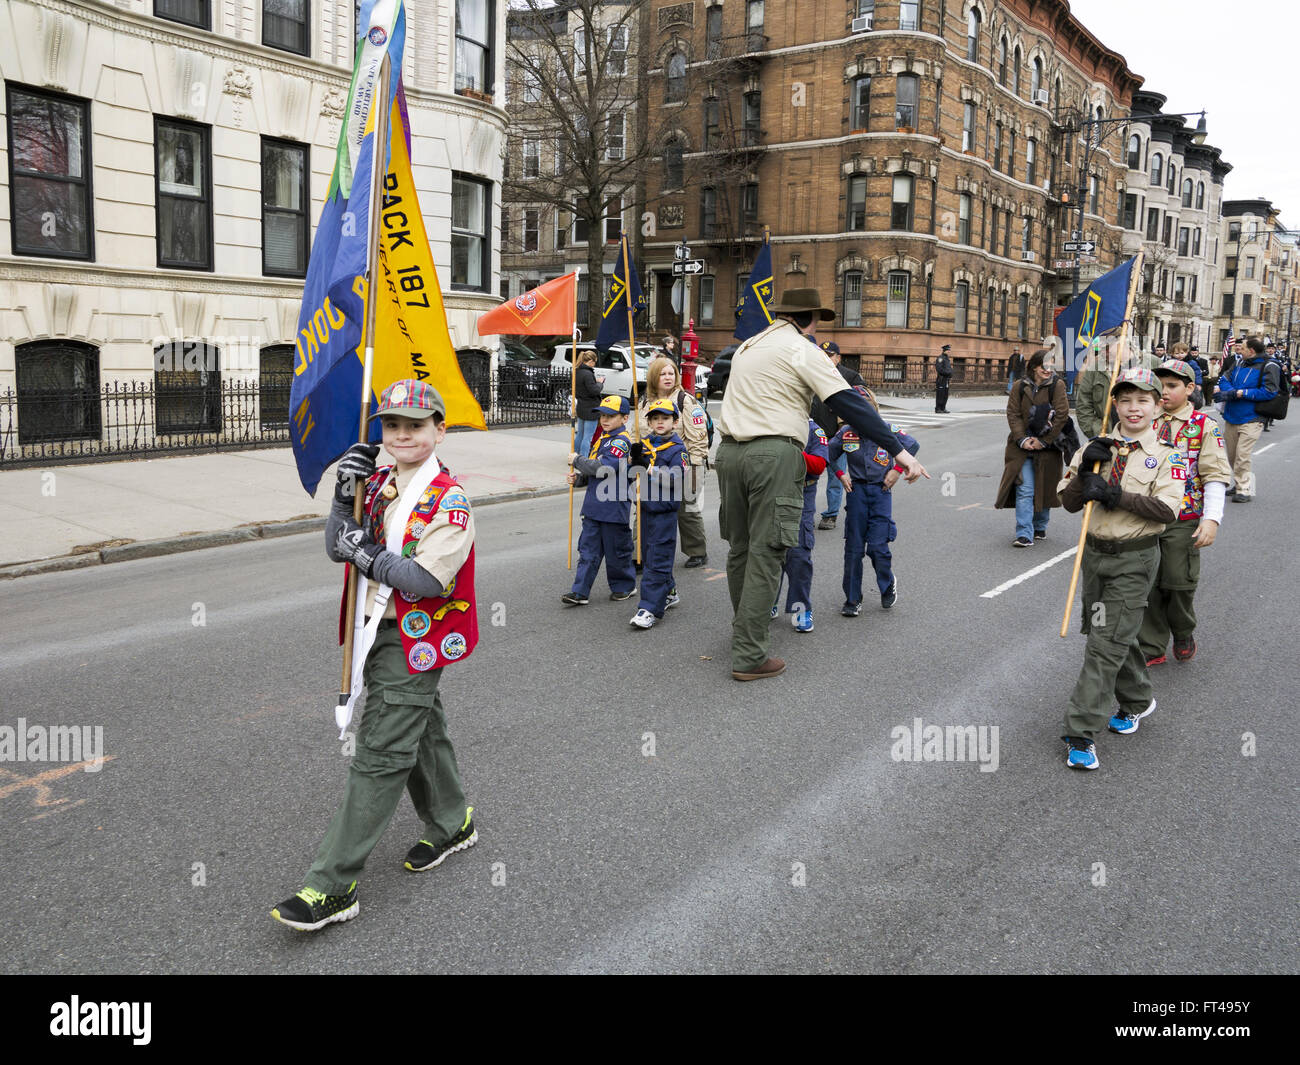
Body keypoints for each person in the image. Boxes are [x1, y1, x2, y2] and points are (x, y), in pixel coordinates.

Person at [272, 380, 478, 931]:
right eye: (392, 425)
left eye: (416, 425)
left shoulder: (448, 499)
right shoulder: (378, 481)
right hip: (373, 630)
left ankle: (331, 886)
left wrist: (367, 552)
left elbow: (426, 579)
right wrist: (344, 499)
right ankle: (453, 821)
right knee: (422, 727)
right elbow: (336, 544)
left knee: (381, 752)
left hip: (415, 637)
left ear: (439, 428)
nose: (403, 434)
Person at [715, 286, 928, 682]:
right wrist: (899, 451)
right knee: (767, 553)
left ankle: (742, 631)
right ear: (808, 319)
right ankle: (749, 655)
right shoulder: (802, 349)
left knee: (740, 550)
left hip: (729, 453)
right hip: (771, 454)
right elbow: (848, 404)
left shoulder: (749, 345)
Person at [1057, 369, 1184, 770]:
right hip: (1094, 556)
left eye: (1142, 400)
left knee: (1104, 644)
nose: (1133, 408)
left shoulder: (1166, 455)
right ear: (1116, 404)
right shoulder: (1096, 447)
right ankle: (1139, 700)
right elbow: (1070, 503)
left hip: (1135, 558)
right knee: (1110, 632)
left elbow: (1166, 509)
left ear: (1156, 405)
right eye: (1125, 400)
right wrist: (1083, 474)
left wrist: (1115, 495)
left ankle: (1081, 731)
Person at [1137, 359, 1231, 667]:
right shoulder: (1146, 420)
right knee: (1148, 582)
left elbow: (1215, 475)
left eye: (1172, 386)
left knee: (1178, 582)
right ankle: (1152, 645)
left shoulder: (1204, 427)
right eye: (1160, 385)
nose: (1163, 392)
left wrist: (1212, 519)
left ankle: (1182, 629)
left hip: (1184, 516)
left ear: (1190, 389)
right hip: (1146, 513)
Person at [829, 388, 919, 617]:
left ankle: (887, 583)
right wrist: (840, 474)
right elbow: (825, 454)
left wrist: (897, 470)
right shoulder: (846, 433)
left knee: (878, 547)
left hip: (881, 492)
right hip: (857, 493)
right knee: (854, 549)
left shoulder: (886, 430)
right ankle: (852, 599)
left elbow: (912, 445)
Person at [562, 395, 637, 605]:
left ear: (624, 418)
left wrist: (577, 460)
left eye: (611, 416)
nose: (605, 420)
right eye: (603, 415)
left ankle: (624, 586)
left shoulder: (621, 442)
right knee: (587, 551)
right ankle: (580, 591)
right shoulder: (602, 438)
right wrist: (578, 479)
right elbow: (594, 472)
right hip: (594, 507)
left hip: (614, 507)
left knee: (617, 553)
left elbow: (603, 468)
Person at [635, 356, 709, 567]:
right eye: (662, 373)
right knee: (643, 509)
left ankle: (697, 551)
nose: (667, 377)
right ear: (653, 377)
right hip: (650, 467)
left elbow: (698, 437)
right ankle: (638, 554)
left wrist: (695, 470)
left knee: (687, 509)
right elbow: (636, 433)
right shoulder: (644, 402)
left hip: (680, 465)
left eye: (671, 373)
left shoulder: (685, 400)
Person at [995, 349, 1070, 547]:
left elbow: (1062, 415)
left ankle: (1039, 525)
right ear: (1035, 366)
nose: (1048, 369)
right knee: (1025, 489)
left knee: (1044, 487)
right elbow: (1013, 414)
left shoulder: (1057, 385)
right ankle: (1024, 533)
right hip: (1021, 448)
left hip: (1048, 447)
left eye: (1052, 365)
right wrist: (1022, 439)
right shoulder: (1020, 386)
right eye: (1045, 365)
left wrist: (1043, 441)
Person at [629, 398, 686, 629]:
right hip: (645, 509)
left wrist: (648, 468)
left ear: (675, 421)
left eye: (665, 418)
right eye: (655, 418)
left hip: (664, 513)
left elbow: (675, 478)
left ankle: (649, 608)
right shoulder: (645, 444)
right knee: (648, 553)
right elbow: (633, 474)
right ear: (649, 422)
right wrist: (633, 461)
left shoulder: (677, 450)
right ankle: (669, 591)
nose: (660, 422)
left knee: (657, 560)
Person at [773, 418, 835, 633]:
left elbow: (818, 465)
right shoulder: (773, 422)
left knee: (798, 554)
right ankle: (768, 601)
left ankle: (801, 608)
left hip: (801, 494)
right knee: (771, 550)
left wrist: (789, 454)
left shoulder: (813, 430)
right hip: (772, 492)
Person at [1215, 335, 1280, 502]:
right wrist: (1231, 391)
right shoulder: (1238, 362)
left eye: (1242, 348)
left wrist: (1242, 393)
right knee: (1231, 455)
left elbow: (1270, 391)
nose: (1238, 349)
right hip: (1232, 415)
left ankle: (1244, 489)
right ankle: (1238, 484)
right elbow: (1224, 379)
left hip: (1253, 417)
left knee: (1242, 455)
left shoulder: (1269, 366)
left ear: (1251, 351)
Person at [813, 340, 864, 531]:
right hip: (815, 436)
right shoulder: (812, 373)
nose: (825, 359)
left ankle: (830, 515)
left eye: (829, 355)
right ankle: (806, 513)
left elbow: (864, 403)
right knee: (808, 478)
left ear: (838, 357)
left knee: (836, 477)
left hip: (838, 437)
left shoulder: (850, 376)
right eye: (822, 355)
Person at [1075, 341, 1159, 439]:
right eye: (1101, 349)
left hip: (1145, 438)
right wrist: (1096, 430)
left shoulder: (1152, 363)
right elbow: (1083, 403)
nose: (1103, 352)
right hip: (1108, 437)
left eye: (1107, 348)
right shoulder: (1095, 368)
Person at [573, 349, 602, 457]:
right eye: (595, 362)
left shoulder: (577, 371)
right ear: (591, 361)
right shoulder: (588, 374)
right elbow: (594, 391)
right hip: (591, 408)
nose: (594, 365)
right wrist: (600, 383)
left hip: (581, 406)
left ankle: (575, 456)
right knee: (588, 436)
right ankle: (584, 459)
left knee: (580, 434)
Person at [934, 344, 953, 413]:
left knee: (945, 394)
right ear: (944, 350)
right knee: (940, 394)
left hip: (946, 379)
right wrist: (947, 373)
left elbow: (949, 368)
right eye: (948, 350)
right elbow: (939, 369)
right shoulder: (940, 358)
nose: (949, 351)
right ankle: (938, 409)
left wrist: (951, 373)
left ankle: (943, 408)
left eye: (949, 350)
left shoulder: (947, 359)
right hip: (941, 379)